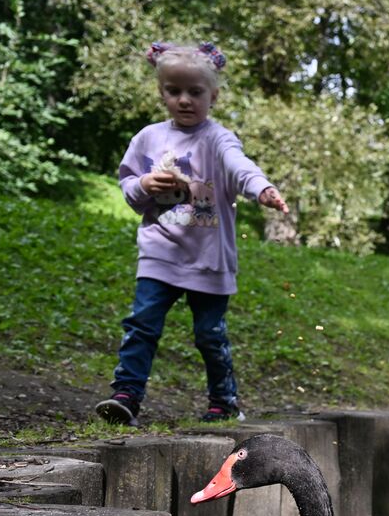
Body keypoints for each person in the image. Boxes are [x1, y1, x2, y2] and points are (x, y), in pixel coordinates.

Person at [95, 41, 288, 426]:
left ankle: (224, 401)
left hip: (208, 259)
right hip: (160, 252)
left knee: (209, 335)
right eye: (174, 91)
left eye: (195, 92)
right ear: (161, 92)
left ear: (213, 96)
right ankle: (126, 395)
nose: (184, 100)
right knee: (142, 325)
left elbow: (240, 167)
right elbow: (128, 186)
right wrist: (144, 184)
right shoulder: (148, 138)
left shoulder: (218, 139)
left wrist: (261, 188)